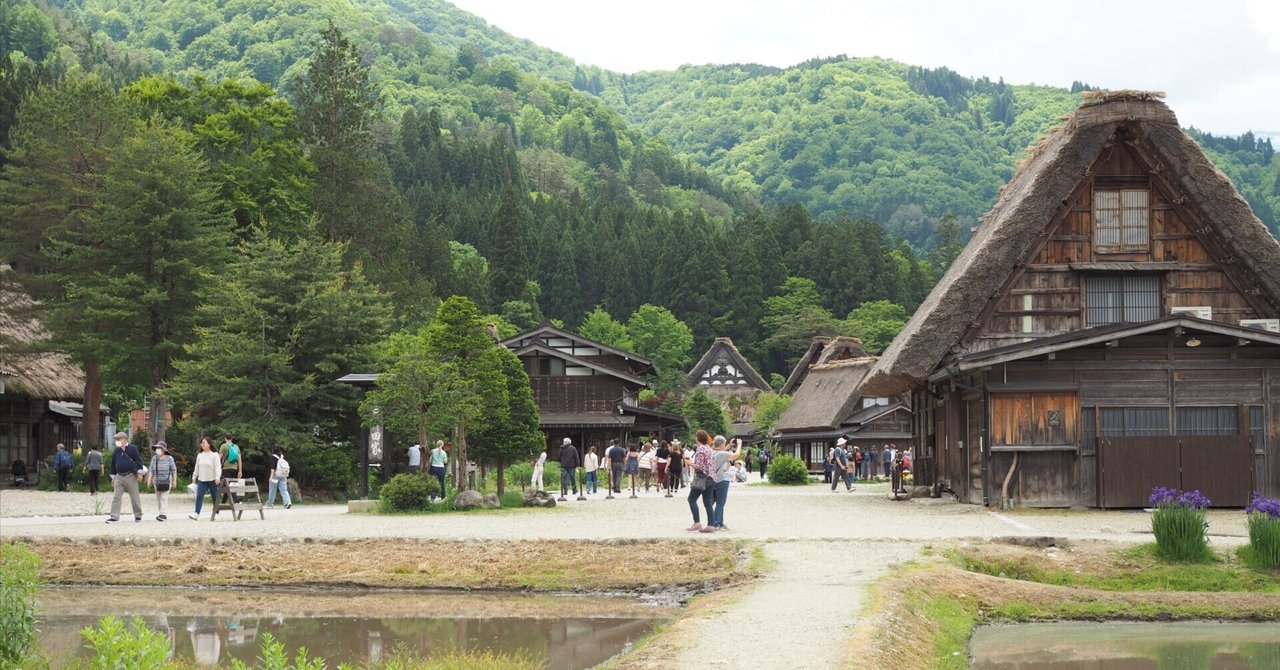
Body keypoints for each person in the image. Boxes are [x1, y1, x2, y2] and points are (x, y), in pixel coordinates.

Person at [106, 431, 145, 523]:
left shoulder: (132, 448)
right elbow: (113, 464)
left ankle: (138, 515)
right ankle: (114, 516)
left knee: (134, 496)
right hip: (119, 476)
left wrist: (139, 473)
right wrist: (113, 477)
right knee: (116, 496)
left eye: (117, 439)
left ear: (123, 439)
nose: (116, 441)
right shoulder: (116, 451)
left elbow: (138, 461)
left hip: (130, 475)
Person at [706, 436, 742, 532]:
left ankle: (719, 522)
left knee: (718, 502)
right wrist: (739, 445)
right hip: (722, 479)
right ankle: (715, 522)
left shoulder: (711, 452)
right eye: (724, 443)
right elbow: (736, 455)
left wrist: (729, 445)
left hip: (713, 480)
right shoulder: (721, 453)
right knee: (721, 502)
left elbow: (722, 453)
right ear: (722, 444)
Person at [190, 437, 221, 520]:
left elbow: (218, 467)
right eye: (201, 443)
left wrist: (218, 476)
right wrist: (194, 478)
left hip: (212, 480)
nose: (202, 444)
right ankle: (196, 513)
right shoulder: (200, 455)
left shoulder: (215, 455)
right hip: (202, 480)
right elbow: (197, 467)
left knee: (215, 497)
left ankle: (216, 513)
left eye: (204, 442)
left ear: (209, 444)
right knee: (199, 496)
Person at [147, 441, 178, 521]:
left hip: (167, 481)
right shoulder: (154, 458)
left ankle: (163, 514)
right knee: (159, 499)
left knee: (164, 498)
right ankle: (161, 513)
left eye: (159, 448)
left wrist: (174, 480)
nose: (157, 449)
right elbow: (151, 470)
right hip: (156, 482)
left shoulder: (169, 458)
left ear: (164, 450)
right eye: (157, 448)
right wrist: (149, 480)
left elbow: (174, 470)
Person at [218, 432, 243, 504]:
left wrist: (218, 469)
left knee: (228, 485)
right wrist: (240, 471)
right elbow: (239, 460)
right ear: (231, 438)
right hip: (234, 469)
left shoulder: (224, 446)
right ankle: (223, 502)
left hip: (226, 468)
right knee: (228, 484)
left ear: (225, 438)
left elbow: (219, 458)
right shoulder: (236, 447)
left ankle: (237, 500)